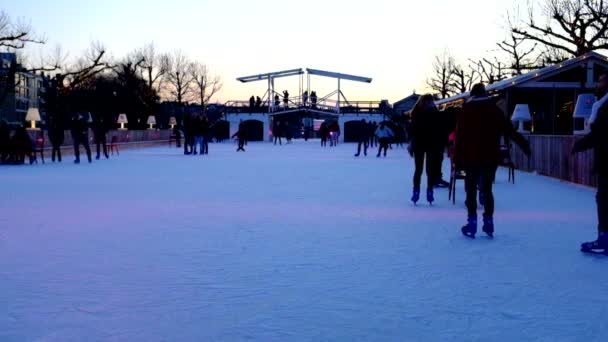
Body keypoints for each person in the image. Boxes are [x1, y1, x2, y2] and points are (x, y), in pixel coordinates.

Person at [455, 83, 530, 239]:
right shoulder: (495, 111)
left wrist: (457, 159)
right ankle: (488, 221)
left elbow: (460, 137)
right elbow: (510, 130)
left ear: (472, 95)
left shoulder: (466, 111)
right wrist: (524, 145)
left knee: (470, 190)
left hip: (471, 157)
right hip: (490, 156)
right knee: (487, 189)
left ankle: (472, 222)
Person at [572, 72, 608, 254]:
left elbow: (598, 135)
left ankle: (604, 239)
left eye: (601, 81)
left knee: (604, 198)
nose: (597, 84)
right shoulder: (601, 106)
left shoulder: (604, 108)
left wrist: (579, 145)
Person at [408, 94, 444, 205]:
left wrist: (412, 141)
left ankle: (416, 191)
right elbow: (439, 129)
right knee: (428, 170)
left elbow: (412, 130)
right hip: (430, 144)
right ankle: (429, 191)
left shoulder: (415, 112)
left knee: (419, 170)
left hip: (420, 144)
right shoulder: (434, 112)